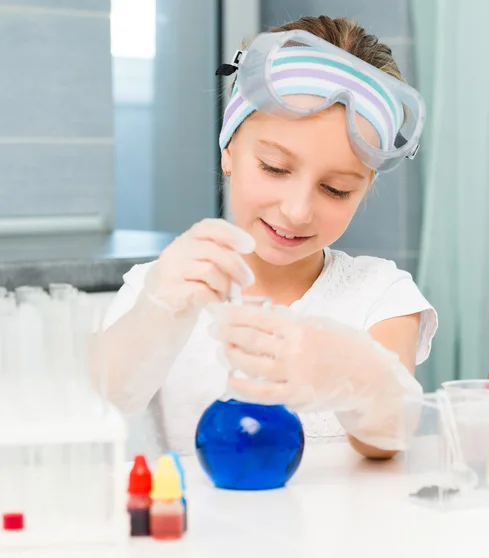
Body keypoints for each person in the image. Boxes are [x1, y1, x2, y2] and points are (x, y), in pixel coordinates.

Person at [97, 15, 438, 460]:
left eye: (336, 189)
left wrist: (353, 376)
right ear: (229, 151)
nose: (297, 210)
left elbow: (387, 438)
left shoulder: (380, 296)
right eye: (275, 168)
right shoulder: (160, 286)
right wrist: (154, 313)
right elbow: (103, 401)